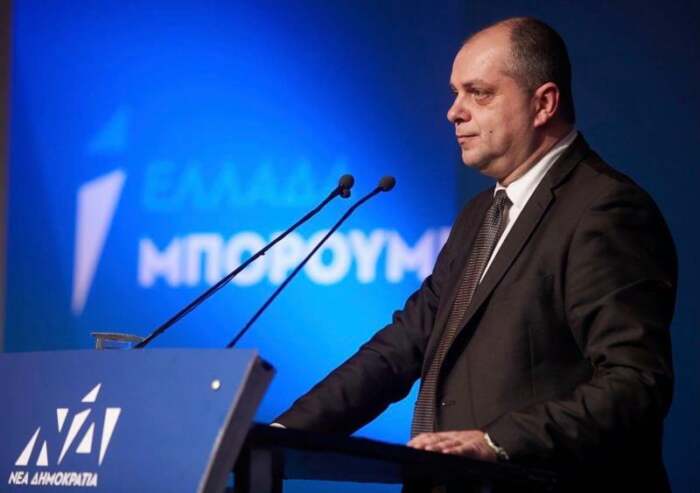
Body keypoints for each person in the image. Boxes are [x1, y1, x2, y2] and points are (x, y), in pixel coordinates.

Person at [274, 16, 676, 492]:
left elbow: (634, 383)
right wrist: (280, 435)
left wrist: (497, 442)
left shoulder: (604, 210)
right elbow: (401, 347)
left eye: (479, 93)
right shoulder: (480, 214)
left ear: (543, 103)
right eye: (455, 93)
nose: (454, 112)